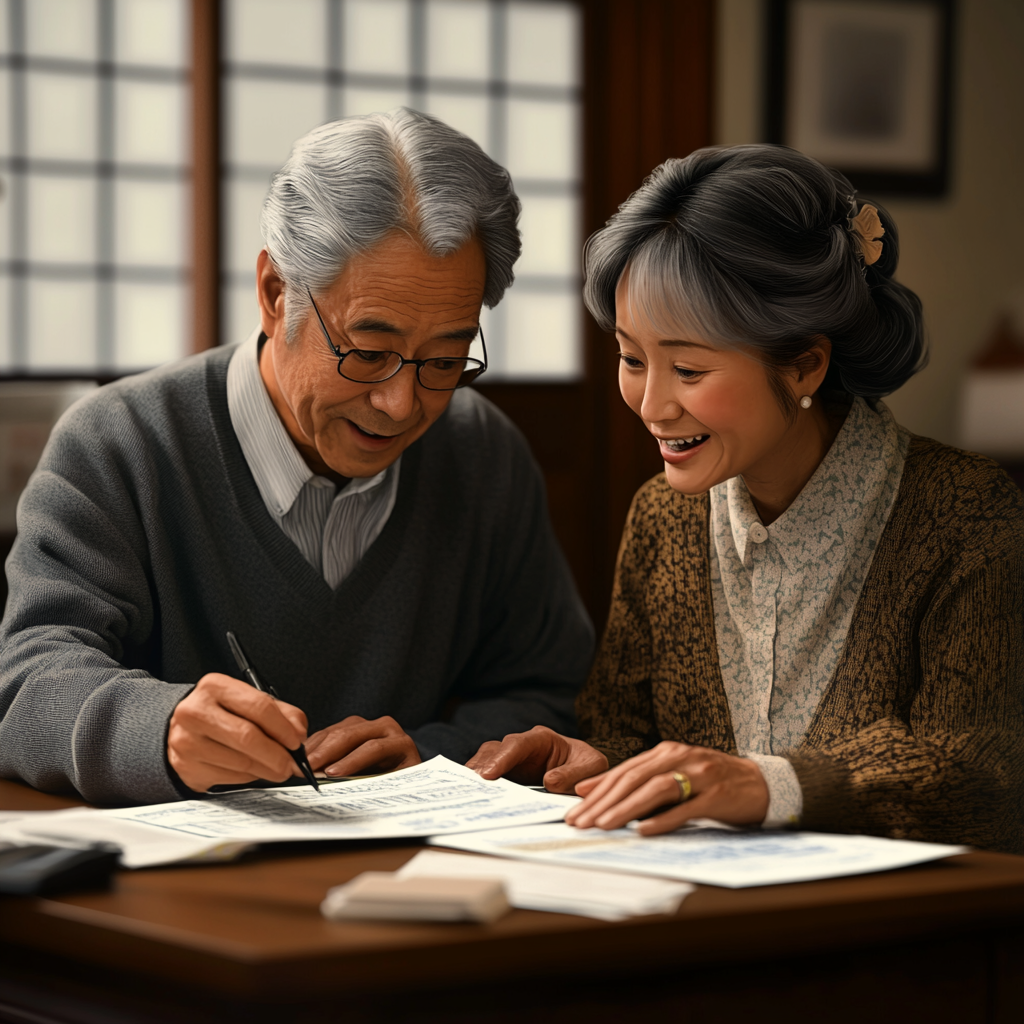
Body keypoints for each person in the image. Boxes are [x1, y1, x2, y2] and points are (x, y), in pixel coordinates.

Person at [0, 108, 593, 806]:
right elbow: (27, 679)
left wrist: (435, 755)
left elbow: (548, 687)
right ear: (276, 295)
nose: (402, 403)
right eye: (368, 353)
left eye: (444, 359)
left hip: (414, 878)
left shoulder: (480, 453)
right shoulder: (121, 444)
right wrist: (160, 730)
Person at [469, 144, 1024, 853]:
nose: (651, 404)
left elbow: (984, 780)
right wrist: (595, 761)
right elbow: (629, 731)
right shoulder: (662, 519)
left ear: (805, 365)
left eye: (689, 369)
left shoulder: (968, 517)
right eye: (632, 359)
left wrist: (769, 785)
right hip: (699, 920)